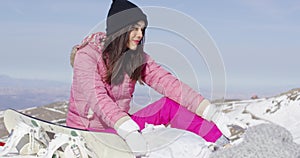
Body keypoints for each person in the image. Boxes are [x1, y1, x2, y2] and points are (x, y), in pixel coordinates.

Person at [66, 0, 230, 156]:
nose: (139, 34)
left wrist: (211, 113)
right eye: (135, 29)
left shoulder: (135, 58)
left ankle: (225, 147)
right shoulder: (87, 55)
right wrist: (129, 131)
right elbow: (97, 98)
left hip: (121, 128)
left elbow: (169, 83)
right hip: (90, 133)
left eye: (142, 29)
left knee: (169, 106)